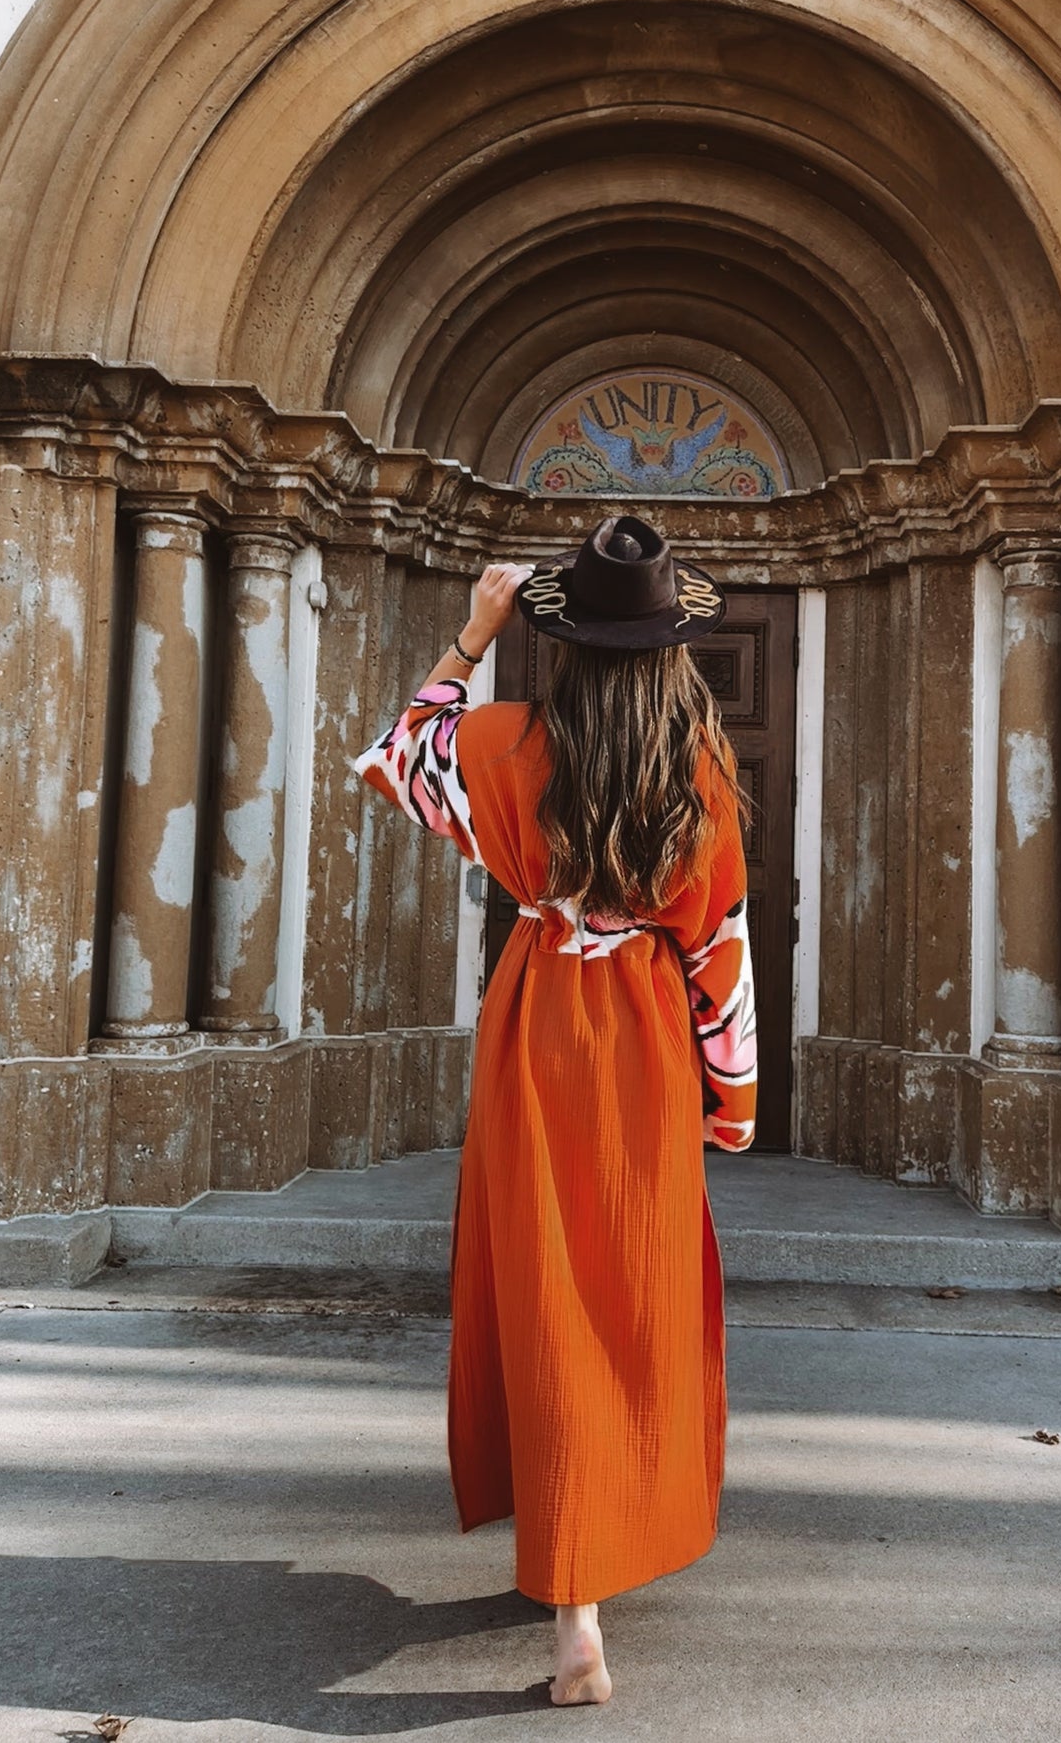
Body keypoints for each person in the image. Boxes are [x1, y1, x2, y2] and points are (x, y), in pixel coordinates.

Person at [353, 513, 757, 1706]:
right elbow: (718, 947)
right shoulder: (702, 764)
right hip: (640, 1037)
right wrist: (727, 1103)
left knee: (543, 1285)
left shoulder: (503, 740)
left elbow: (393, 757)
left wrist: (471, 635)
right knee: (630, 1285)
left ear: (567, 643)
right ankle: (597, 1560)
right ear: (668, 646)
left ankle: (573, 1599)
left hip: (536, 1029)